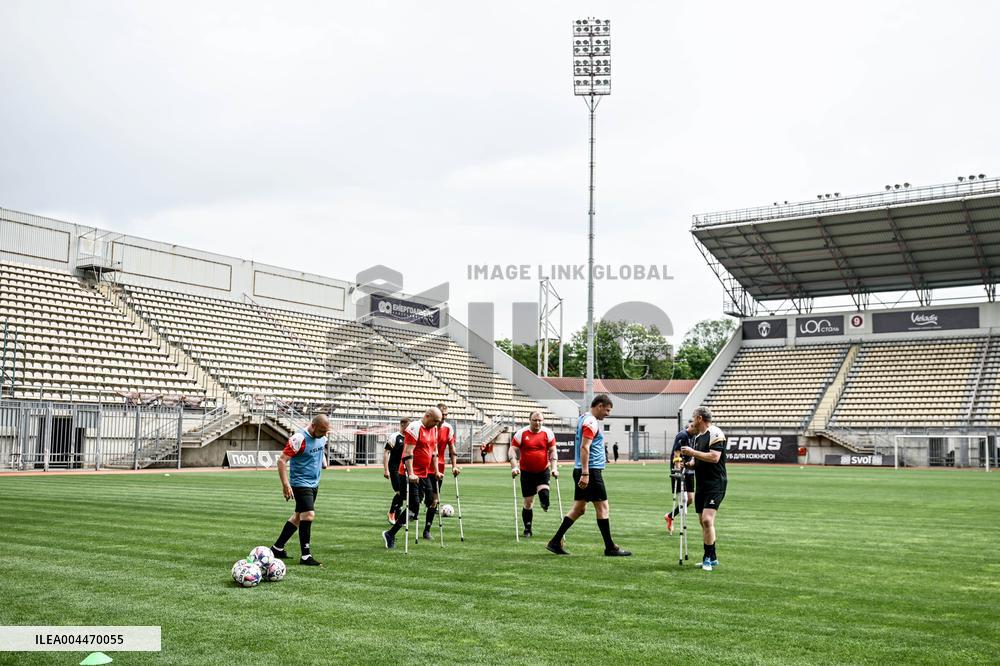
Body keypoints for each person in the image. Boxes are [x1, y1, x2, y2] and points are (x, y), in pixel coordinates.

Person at [546, 395, 630, 557]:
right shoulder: (591, 422)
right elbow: (585, 447)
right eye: (607, 410)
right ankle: (610, 547)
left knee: (579, 509)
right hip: (590, 471)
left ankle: (555, 541)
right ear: (599, 406)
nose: (608, 414)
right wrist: (586, 473)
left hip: (583, 469)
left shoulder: (583, 418)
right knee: (603, 508)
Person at [271, 414, 331, 566]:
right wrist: (286, 485)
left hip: (314, 483)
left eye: (326, 431)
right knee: (308, 515)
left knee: (298, 517)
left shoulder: (323, 437)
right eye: (322, 431)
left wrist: (323, 462)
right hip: (300, 483)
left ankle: (277, 548)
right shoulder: (299, 438)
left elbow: (320, 449)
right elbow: (282, 460)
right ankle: (305, 556)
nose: (324, 434)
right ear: (313, 426)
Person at [382, 407, 441, 549]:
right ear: (427, 416)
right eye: (435, 421)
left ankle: (393, 531)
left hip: (424, 474)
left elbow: (434, 451)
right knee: (413, 506)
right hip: (409, 474)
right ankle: (390, 534)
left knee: (428, 502)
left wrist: (437, 471)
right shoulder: (414, 428)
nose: (437, 424)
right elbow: (407, 452)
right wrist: (411, 473)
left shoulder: (434, 429)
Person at [680, 406, 727, 571]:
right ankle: (712, 557)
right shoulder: (698, 437)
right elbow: (697, 461)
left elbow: (714, 457)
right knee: (703, 522)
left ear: (699, 418)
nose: (692, 421)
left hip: (715, 483)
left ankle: (707, 557)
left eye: (694, 418)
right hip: (701, 483)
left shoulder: (715, 433)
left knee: (707, 520)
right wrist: (688, 464)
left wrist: (692, 452)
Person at [510, 411, 557, 537]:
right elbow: (512, 450)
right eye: (535, 420)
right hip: (526, 473)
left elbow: (553, 451)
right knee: (528, 503)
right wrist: (514, 467)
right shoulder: (521, 433)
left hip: (542, 470)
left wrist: (554, 468)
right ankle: (527, 529)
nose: (537, 423)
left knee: (544, 495)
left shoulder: (548, 433)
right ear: (529, 420)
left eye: (540, 420)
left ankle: (544, 503)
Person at [425, 403, 461, 540]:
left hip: (439, 467)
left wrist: (454, 466)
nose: (444, 417)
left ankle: (427, 530)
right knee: (428, 497)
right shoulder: (428, 427)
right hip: (424, 466)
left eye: (446, 415)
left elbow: (452, 448)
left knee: (435, 499)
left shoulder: (448, 428)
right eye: (442, 415)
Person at [665, 421, 697, 535]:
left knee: (690, 499)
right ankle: (672, 520)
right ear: (692, 427)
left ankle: (670, 516)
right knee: (683, 498)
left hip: (689, 469)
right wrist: (678, 468)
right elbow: (676, 453)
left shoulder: (694, 436)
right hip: (680, 470)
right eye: (697, 429)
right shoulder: (682, 435)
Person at [384, 418, 408, 524]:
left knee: (404, 494)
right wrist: (386, 470)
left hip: (404, 469)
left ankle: (397, 516)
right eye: (408, 426)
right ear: (402, 425)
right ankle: (391, 512)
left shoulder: (410, 437)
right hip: (394, 468)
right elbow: (386, 453)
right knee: (400, 492)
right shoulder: (395, 437)